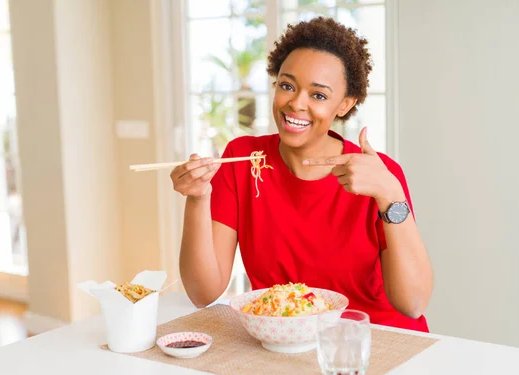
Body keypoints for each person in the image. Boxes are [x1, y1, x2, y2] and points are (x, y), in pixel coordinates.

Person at [170, 17, 434, 332]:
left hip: (373, 339)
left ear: (344, 104)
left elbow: (413, 304)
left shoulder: (378, 174)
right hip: (283, 342)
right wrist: (198, 197)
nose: (296, 103)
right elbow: (203, 293)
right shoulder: (243, 160)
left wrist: (391, 196)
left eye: (319, 95)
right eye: (287, 85)